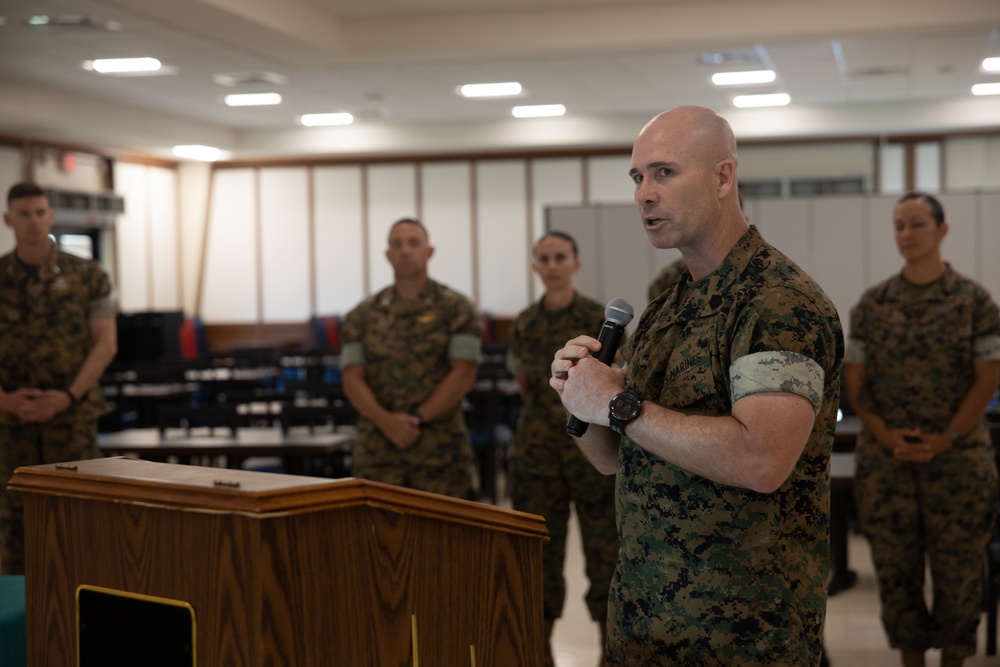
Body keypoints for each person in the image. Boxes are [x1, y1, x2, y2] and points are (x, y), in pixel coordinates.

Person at [549, 105, 844, 666]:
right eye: (637, 178)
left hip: (741, 635)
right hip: (644, 626)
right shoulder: (667, 308)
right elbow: (615, 458)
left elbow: (762, 459)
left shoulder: (778, 303)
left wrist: (619, 402)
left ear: (722, 177)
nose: (644, 194)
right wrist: (581, 399)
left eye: (664, 172)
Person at [843, 192, 1000, 667]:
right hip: (888, 464)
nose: (906, 235)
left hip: (957, 462)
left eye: (916, 224)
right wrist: (885, 434)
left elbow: (988, 375)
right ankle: (911, 659)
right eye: (898, 226)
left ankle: (953, 659)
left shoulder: (974, 301)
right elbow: (855, 379)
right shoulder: (872, 304)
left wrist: (947, 437)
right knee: (896, 575)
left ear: (942, 230)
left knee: (959, 575)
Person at [506, 231, 619, 667]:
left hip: (593, 457)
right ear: (536, 267)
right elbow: (526, 385)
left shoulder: (598, 321)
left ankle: (610, 656)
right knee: (537, 564)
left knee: (605, 561)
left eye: (560, 257)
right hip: (537, 456)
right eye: (544, 258)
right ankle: (537, 655)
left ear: (575, 263)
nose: (552, 265)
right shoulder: (525, 323)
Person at [0, 181, 118, 575]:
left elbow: (105, 343)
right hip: (8, 424)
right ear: (8, 220)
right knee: (12, 528)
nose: (33, 222)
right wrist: (4, 400)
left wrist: (67, 396)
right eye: (24, 214)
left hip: (71, 419)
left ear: (51, 216)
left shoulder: (87, 275)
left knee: (79, 521)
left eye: (40, 212)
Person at [340, 217, 482, 500]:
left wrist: (416, 419)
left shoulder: (456, 308)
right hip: (379, 450)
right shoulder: (362, 315)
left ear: (429, 251)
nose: (405, 250)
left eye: (413, 243)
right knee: (375, 540)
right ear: (388, 255)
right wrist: (387, 422)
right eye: (397, 244)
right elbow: (351, 377)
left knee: (443, 539)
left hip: (439, 449)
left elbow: (463, 373)